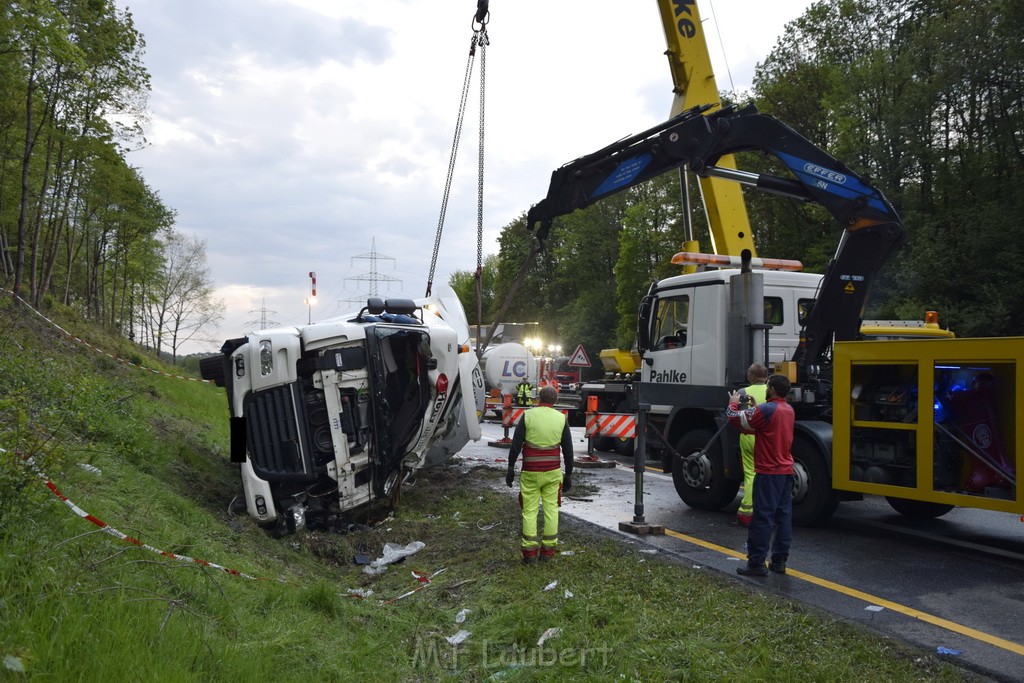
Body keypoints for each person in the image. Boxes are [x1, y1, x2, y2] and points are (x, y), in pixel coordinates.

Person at [726, 374, 795, 576]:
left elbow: (736, 419)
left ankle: (756, 563)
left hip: (768, 471)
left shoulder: (766, 409)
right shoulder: (788, 410)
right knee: (783, 517)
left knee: (762, 518)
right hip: (785, 471)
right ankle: (779, 561)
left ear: (772, 389)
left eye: (768, 387)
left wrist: (732, 404)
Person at [505, 386, 573, 563]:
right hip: (553, 472)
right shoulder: (561, 418)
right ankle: (548, 553)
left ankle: (529, 555)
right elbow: (568, 449)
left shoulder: (528, 416)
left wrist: (510, 468)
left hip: (531, 472)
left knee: (529, 511)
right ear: (555, 400)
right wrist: (569, 475)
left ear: (538, 399)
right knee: (551, 509)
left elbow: (515, 445)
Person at [735, 363, 769, 527]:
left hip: (748, 436)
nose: (747, 374)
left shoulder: (743, 393)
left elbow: (737, 416)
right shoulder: (771, 391)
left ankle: (747, 510)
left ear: (754, 376)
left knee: (750, 473)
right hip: (766, 438)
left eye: (749, 372)